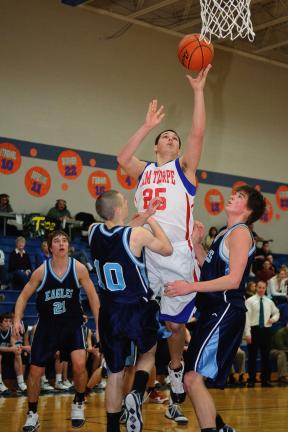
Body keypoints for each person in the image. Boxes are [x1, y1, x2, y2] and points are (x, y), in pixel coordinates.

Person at [117, 65, 211, 423]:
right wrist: (147, 126)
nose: (172, 139)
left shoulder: (183, 172)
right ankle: (143, 388)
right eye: (166, 137)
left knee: (174, 327)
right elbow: (122, 159)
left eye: (176, 138)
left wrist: (199, 91)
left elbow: (199, 134)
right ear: (156, 144)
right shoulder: (144, 171)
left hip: (177, 257)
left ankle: (175, 367)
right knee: (146, 329)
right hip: (145, 254)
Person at [164, 185, 266, 432]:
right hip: (212, 311)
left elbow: (233, 280)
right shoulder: (224, 233)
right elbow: (209, 267)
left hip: (225, 310)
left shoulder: (241, 233)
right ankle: (219, 427)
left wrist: (190, 286)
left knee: (192, 378)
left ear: (249, 209)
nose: (233, 196)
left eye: (240, 196)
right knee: (191, 380)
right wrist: (198, 246)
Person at [88, 190, 172, 432]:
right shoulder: (138, 234)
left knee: (114, 373)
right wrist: (153, 220)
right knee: (148, 354)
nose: (127, 205)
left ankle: (113, 428)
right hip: (136, 308)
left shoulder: (93, 231)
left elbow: (121, 234)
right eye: (125, 203)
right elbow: (166, 249)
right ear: (118, 209)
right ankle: (136, 393)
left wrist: (144, 215)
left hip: (109, 311)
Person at [13, 230, 100, 431]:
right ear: (50, 247)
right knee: (35, 371)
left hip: (72, 324)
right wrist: (17, 319)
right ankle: (32, 413)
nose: (61, 244)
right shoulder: (41, 272)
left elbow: (94, 298)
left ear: (68, 246)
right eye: (57, 241)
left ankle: (78, 402)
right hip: (47, 327)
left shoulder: (78, 268)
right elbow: (23, 297)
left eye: (64, 241)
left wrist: (99, 323)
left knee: (79, 364)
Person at [245, 280, 280, 388]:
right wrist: (248, 333)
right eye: (259, 287)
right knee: (252, 356)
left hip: (266, 331)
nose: (261, 289)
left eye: (263, 288)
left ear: (265, 288)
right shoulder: (249, 301)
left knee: (266, 356)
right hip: (254, 330)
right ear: (256, 288)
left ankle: (265, 380)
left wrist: (273, 319)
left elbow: (277, 312)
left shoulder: (269, 301)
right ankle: (251, 379)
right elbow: (246, 319)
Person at [0, 312, 27, 394]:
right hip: (2, 353)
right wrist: (12, 349)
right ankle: (0, 384)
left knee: (18, 354)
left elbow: (14, 344)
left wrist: (17, 348)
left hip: (6, 352)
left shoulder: (12, 330)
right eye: (5, 321)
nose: (8, 323)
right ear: (0, 323)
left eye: (10, 321)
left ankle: (21, 383)